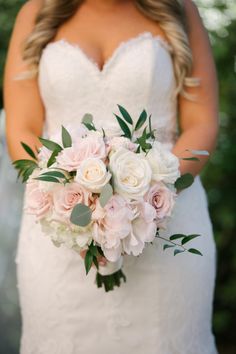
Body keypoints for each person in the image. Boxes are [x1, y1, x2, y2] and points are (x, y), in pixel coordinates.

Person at [4, 0, 219, 353]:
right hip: (60, 228)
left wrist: (146, 198)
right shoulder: (36, 11)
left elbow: (202, 123)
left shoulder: (180, 9)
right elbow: (21, 128)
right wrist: (72, 202)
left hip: (167, 222)